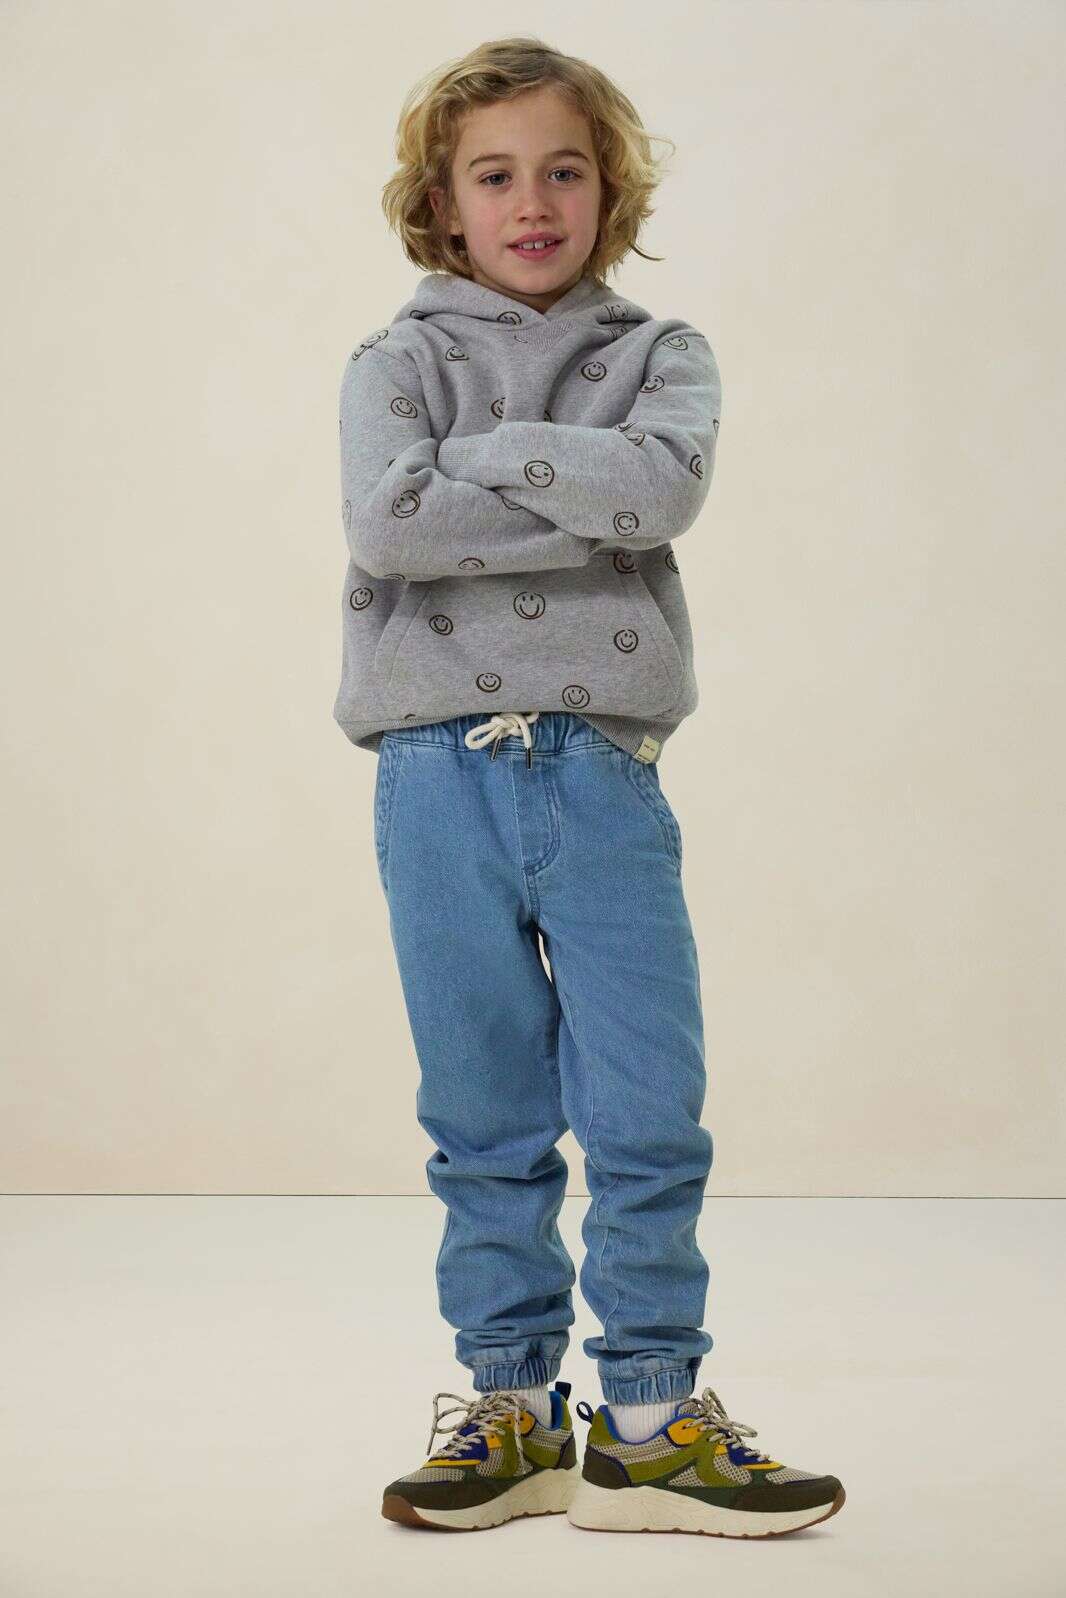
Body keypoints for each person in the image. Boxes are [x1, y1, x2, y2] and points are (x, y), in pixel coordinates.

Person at [334, 36, 846, 1537]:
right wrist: (578, 481)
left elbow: (662, 489)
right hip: (434, 777)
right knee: (482, 1107)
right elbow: (389, 525)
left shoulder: (661, 353)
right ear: (442, 201)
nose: (533, 201)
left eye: (564, 170)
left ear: (610, 189)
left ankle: (648, 1417)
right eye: (494, 175)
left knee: (644, 1105)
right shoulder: (392, 363)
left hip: (607, 773)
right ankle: (508, 1405)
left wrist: (484, 461)